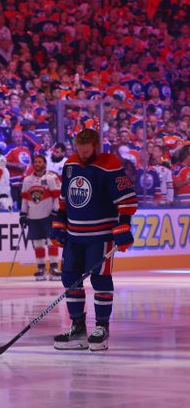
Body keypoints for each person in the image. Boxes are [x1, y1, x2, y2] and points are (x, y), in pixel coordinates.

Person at [50, 129, 137, 351]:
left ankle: (102, 327)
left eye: (87, 151)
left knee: (100, 279)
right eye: (80, 150)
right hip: (74, 236)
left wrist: (124, 223)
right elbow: (64, 199)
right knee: (70, 277)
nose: (83, 155)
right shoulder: (70, 165)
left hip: (101, 236)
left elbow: (126, 198)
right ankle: (78, 327)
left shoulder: (109, 164)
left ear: (96, 146)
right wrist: (60, 224)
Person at [20, 155, 61, 281]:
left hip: (48, 215)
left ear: (45, 163)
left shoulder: (51, 178)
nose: (37, 164)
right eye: (35, 162)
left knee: (51, 242)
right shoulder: (27, 180)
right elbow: (25, 199)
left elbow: (56, 196)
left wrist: (56, 211)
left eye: (40, 162)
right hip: (33, 216)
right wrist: (23, 214)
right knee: (37, 243)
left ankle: (54, 267)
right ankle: (41, 268)